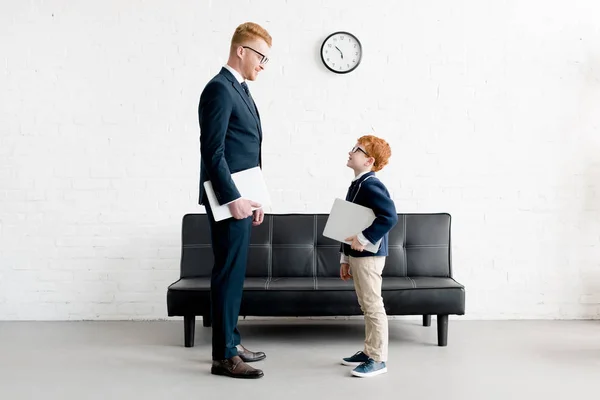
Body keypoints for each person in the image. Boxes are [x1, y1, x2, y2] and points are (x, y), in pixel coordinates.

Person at [198, 22, 272, 379]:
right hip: (227, 200)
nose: (263, 65)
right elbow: (213, 154)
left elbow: (242, 150)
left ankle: (231, 340)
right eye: (260, 56)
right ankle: (223, 357)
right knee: (227, 275)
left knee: (235, 274)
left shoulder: (238, 88)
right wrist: (234, 199)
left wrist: (253, 199)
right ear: (241, 50)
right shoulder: (219, 89)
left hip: (243, 199)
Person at [339, 135, 398, 378]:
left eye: (357, 149)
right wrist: (345, 257)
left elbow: (389, 217)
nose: (351, 152)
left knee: (373, 305)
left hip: (369, 256)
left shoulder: (371, 185)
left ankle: (378, 358)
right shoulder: (357, 184)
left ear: (369, 160)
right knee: (366, 305)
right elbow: (349, 221)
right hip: (357, 254)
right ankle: (368, 350)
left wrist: (363, 239)